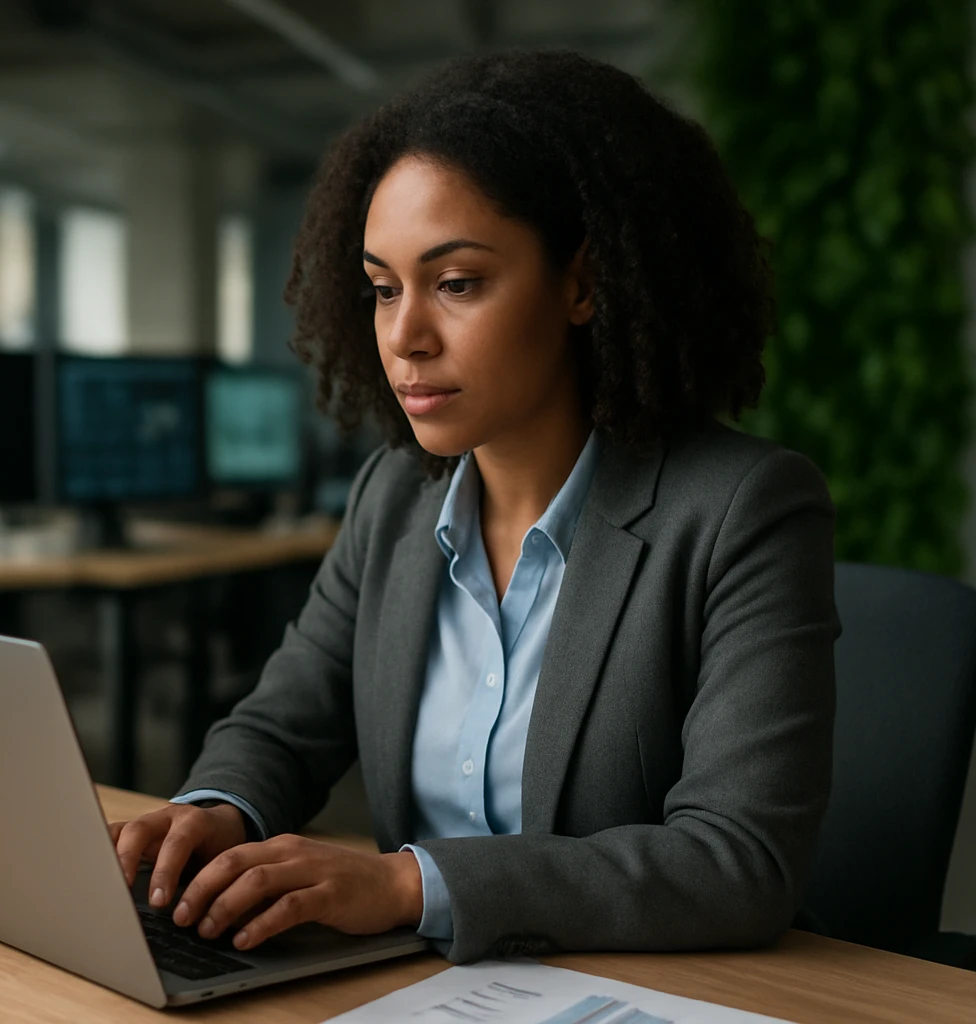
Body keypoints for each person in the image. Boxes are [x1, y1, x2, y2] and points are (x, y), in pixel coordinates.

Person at [109, 50, 838, 964]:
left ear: (585, 282)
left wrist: (410, 883)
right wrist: (215, 812)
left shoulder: (741, 511)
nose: (405, 336)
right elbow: (283, 724)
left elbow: (737, 861)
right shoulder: (394, 499)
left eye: (456, 283)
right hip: (426, 994)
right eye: (382, 289)